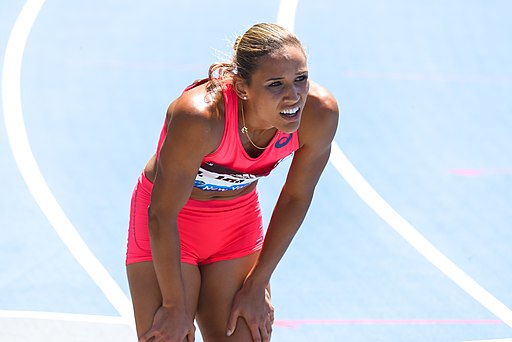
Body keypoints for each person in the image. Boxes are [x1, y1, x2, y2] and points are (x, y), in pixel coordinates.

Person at [126, 22, 339, 342]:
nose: (293, 95)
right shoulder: (200, 118)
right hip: (170, 224)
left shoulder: (319, 114)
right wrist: (175, 304)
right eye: (275, 84)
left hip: (235, 228)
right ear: (242, 88)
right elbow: (162, 214)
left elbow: (296, 197)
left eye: (300, 79)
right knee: (169, 335)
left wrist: (257, 283)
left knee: (248, 332)